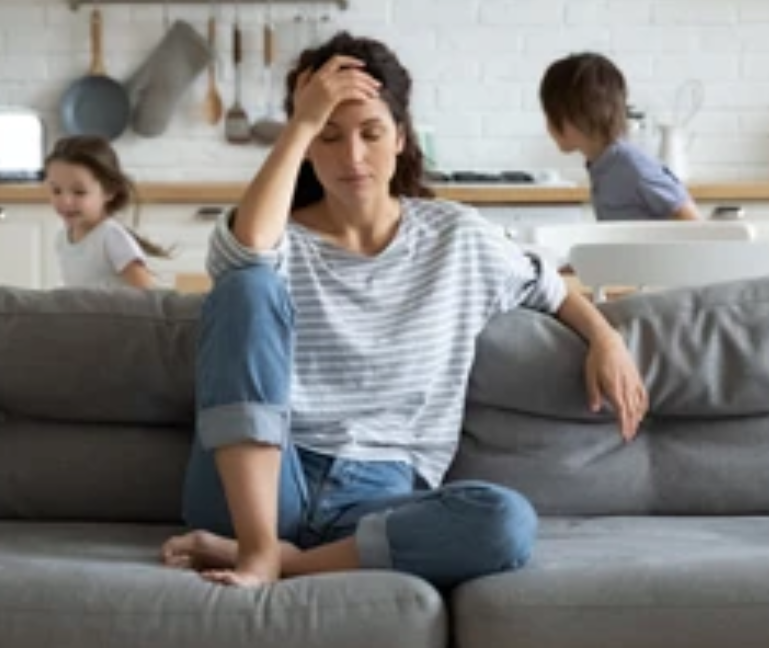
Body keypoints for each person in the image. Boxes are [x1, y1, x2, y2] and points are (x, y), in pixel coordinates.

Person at [160, 33, 649, 591]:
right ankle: (256, 543)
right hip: (263, 477)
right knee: (246, 285)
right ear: (307, 145)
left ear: (400, 138)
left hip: (378, 497)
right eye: (328, 135)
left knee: (506, 520)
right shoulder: (277, 238)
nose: (352, 157)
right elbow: (246, 252)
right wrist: (300, 119)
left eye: (370, 133)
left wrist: (606, 339)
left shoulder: (457, 238)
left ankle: (278, 560)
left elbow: (553, 290)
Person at [540, 52, 701, 221]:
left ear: (575, 116)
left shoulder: (633, 165)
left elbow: (693, 223)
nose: (548, 125)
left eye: (550, 115)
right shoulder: (602, 164)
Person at [44, 135, 170, 290]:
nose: (65, 201)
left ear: (109, 191)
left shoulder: (111, 236)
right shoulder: (62, 238)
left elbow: (148, 294)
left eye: (79, 192)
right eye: (56, 190)